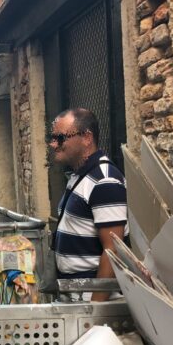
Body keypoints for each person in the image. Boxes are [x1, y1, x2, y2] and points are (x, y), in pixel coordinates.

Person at [48, 108, 128, 302]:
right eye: (52, 137)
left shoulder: (105, 180)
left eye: (60, 138)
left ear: (86, 137)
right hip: (74, 297)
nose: (53, 144)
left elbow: (113, 251)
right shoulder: (79, 176)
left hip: (89, 301)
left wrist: (95, 310)